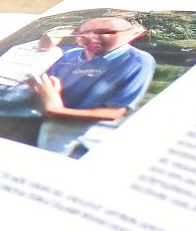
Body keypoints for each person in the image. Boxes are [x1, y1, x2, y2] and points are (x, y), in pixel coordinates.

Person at [28, 16, 155, 156]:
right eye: (84, 32)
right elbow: (43, 86)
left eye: (103, 32)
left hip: (86, 140)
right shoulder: (70, 55)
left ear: (128, 34)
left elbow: (115, 112)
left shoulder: (138, 60)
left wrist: (56, 109)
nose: (90, 36)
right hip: (49, 130)